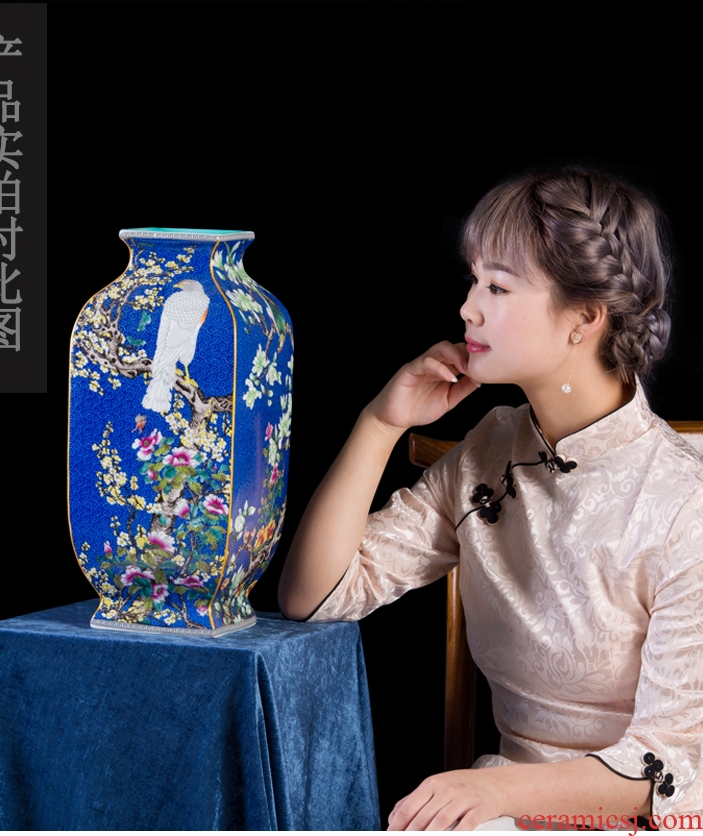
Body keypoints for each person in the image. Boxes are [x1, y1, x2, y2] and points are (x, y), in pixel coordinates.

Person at [278, 166, 703, 831]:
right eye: (474, 281)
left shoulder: (683, 502)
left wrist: (495, 793)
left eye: (498, 287)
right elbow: (315, 595)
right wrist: (380, 423)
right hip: (498, 812)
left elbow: (666, 767)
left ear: (584, 317)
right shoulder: (492, 449)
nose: (468, 309)